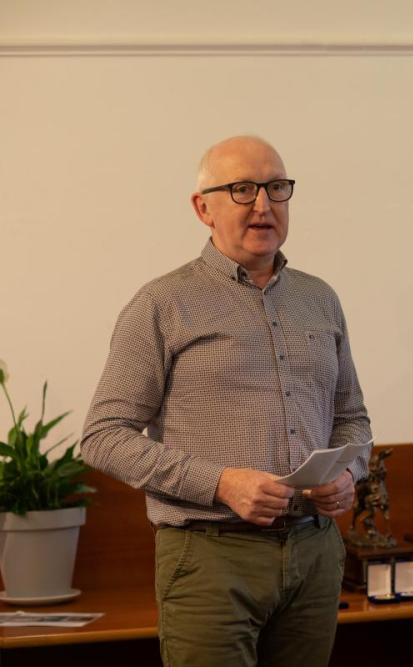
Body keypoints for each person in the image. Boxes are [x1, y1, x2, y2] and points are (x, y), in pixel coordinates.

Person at [82, 135, 372, 666]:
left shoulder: (320, 298)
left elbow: (351, 418)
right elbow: (103, 438)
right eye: (242, 189)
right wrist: (220, 483)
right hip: (210, 555)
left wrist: (351, 472)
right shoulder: (161, 303)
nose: (264, 205)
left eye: (276, 188)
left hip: (315, 550)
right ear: (203, 208)